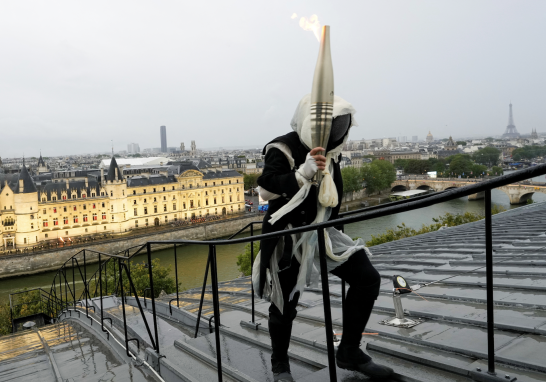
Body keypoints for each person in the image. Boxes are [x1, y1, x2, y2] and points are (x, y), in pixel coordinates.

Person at [253, 95, 393, 381]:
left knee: (367, 279)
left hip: (324, 232)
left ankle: (349, 351)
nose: (336, 136)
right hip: (289, 236)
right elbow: (266, 189)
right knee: (284, 303)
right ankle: (280, 364)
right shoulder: (283, 147)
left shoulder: (331, 152)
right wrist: (302, 172)